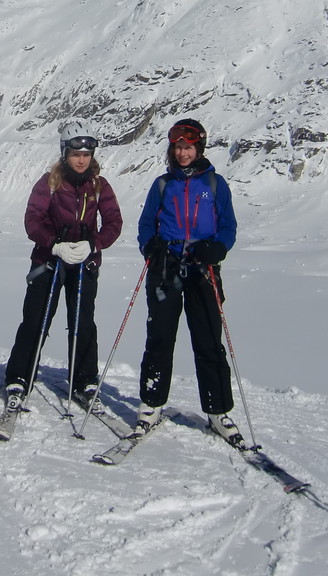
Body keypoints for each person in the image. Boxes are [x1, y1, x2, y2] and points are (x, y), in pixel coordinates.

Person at [3, 120, 122, 412]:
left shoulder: (99, 185)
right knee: (36, 319)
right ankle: (19, 376)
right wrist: (53, 244)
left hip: (84, 262)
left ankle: (83, 381)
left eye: (86, 153)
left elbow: (114, 222)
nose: (81, 159)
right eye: (75, 153)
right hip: (50, 260)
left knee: (82, 322)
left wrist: (93, 245)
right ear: (64, 153)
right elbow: (33, 219)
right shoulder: (50, 183)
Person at [135, 118, 242, 442]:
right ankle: (151, 404)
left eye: (188, 147)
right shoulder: (162, 185)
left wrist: (218, 248)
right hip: (166, 269)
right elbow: (145, 224)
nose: (182, 153)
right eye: (178, 147)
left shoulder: (214, 184)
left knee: (209, 340)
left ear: (199, 148)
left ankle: (218, 411)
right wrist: (149, 245)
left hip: (202, 269)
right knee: (160, 339)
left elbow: (228, 226)